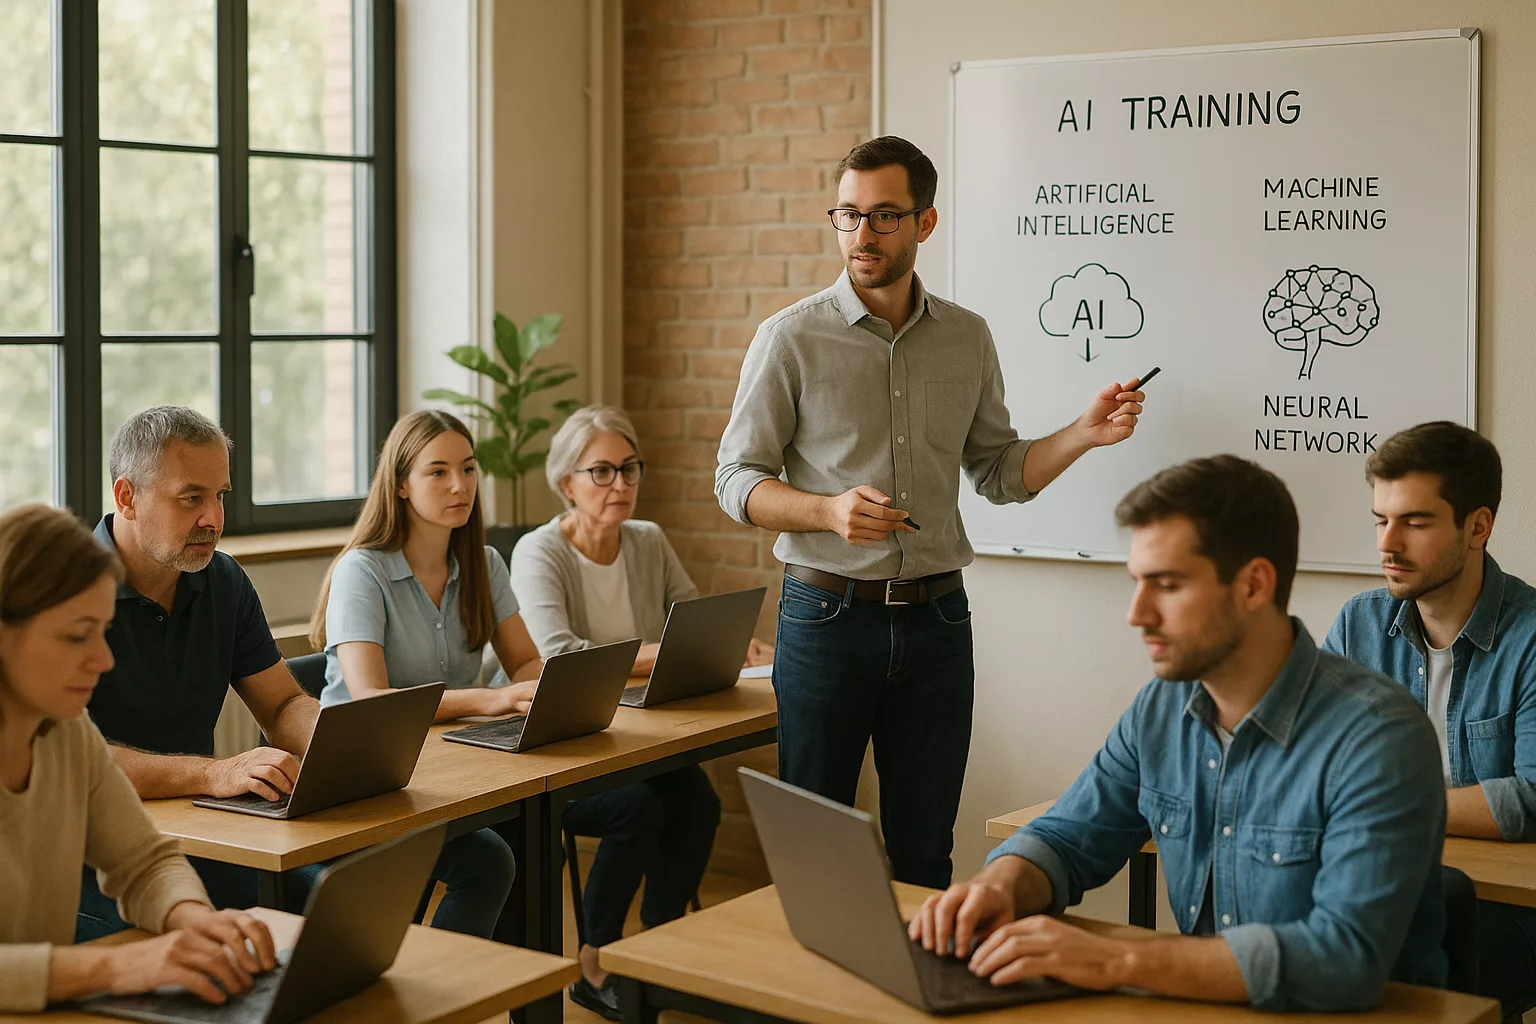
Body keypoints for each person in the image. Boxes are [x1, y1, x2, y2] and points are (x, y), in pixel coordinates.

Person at [714, 135, 1146, 887]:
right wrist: (824, 511)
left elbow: (1000, 473)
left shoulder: (968, 337)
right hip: (824, 618)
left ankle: (915, 1001)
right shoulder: (789, 337)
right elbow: (735, 479)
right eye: (847, 215)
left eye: (884, 216)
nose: (862, 235)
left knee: (925, 853)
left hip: (938, 623)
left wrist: (1083, 433)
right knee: (813, 852)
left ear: (926, 223)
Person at [910, 456, 1447, 1012]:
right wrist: (999, 885)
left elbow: (1343, 960)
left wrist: (1114, 959)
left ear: (1253, 585)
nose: (1137, 614)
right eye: (1138, 583)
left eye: (1166, 585)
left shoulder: (1380, 738)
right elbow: (1067, 840)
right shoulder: (1162, 709)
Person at [511, 405, 755, 1019]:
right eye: (601, 472)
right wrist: (665, 652)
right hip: (561, 742)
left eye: (629, 468)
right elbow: (560, 659)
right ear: (566, 482)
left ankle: (656, 949)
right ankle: (595, 963)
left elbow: (693, 624)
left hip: (640, 735)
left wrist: (735, 646)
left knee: (698, 804)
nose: (620, 484)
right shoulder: (538, 552)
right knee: (637, 810)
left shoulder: (646, 540)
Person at [0, 504, 278, 1013]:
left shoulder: (68, 734)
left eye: (102, 632)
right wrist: (119, 966)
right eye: (76, 635)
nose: (103, 660)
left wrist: (195, 920)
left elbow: (143, 861)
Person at [79, 406, 322, 938]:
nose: (214, 518)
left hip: (208, 836)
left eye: (221, 497)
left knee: (343, 893)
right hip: (91, 857)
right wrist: (215, 773)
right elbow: (76, 761)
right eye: (192, 498)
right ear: (127, 498)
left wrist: (336, 741)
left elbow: (281, 704)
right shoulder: (66, 591)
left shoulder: (223, 579)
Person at [1322, 421, 1536, 1022]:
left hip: (1511, 909)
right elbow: (1322, 769)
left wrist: (1393, 805)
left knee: (1402, 951)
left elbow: (1531, 798)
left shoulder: (1532, 637)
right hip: (1380, 881)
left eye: (1414, 522)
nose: (1387, 544)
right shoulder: (1360, 623)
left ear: (1478, 527)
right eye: (1379, 520)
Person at [311, 409, 538, 939]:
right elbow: (370, 698)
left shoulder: (484, 563)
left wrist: (535, 686)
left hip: (442, 773)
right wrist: (491, 700)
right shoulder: (362, 570)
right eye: (437, 472)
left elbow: (525, 663)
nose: (459, 485)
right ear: (401, 486)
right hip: (359, 782)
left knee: (534, 838)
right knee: (492, 861)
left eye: (468, 468)